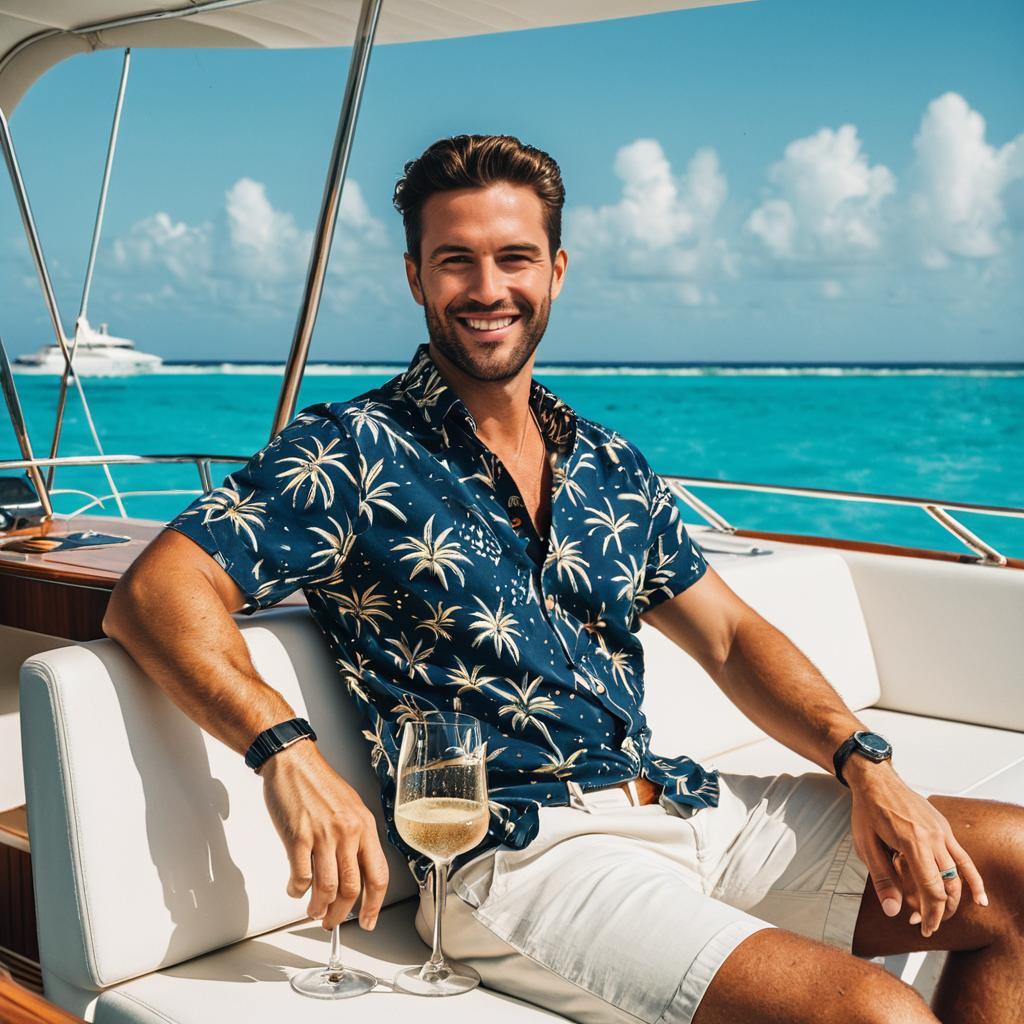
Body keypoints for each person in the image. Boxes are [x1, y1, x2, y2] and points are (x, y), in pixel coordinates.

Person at [103, 135, 1023, 1024]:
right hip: (519, 855)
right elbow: (155, 595)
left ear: (556, 271)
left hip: (678, 802)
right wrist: (287, 753)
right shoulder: (352, 452)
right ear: (415, 277)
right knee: (874, 1013)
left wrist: (865, 763)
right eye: (455, 261)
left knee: (1020, 868)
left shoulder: (608, 464)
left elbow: (732, 637)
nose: (487, 288)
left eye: (515, 257)